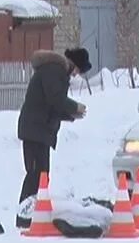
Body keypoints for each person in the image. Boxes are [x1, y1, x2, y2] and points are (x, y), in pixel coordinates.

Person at [15, 48, 92, 228]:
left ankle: (35, 214)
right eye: (78, 71)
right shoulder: (54, 70)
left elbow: (51, 106)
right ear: (74, 64)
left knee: (42, 176)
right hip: (35, 130)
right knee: (35, 175)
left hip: (40, 131)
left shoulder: (56, 72)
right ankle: (24, 217)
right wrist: (74, 107)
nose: (76, 75)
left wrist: (71, 115)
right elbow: (55, 99)